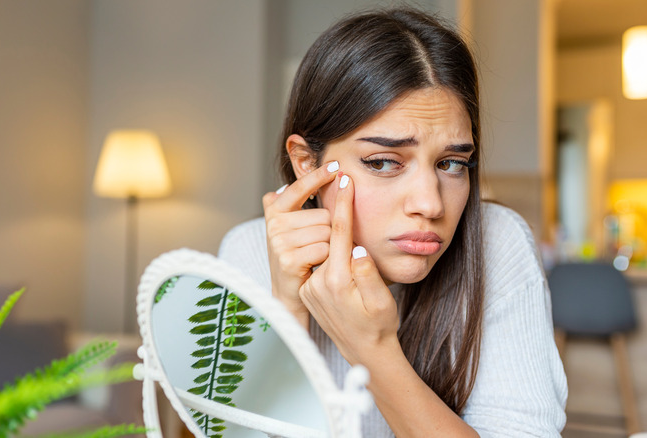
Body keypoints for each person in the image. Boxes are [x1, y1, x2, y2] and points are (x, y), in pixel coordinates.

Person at [219, 6, 567, 437]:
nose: (430, 204)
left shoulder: (498, 243)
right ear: (307, 163)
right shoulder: (249, 251)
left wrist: (373, 349)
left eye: (452, 164)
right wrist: (286, 315)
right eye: (383, 162)